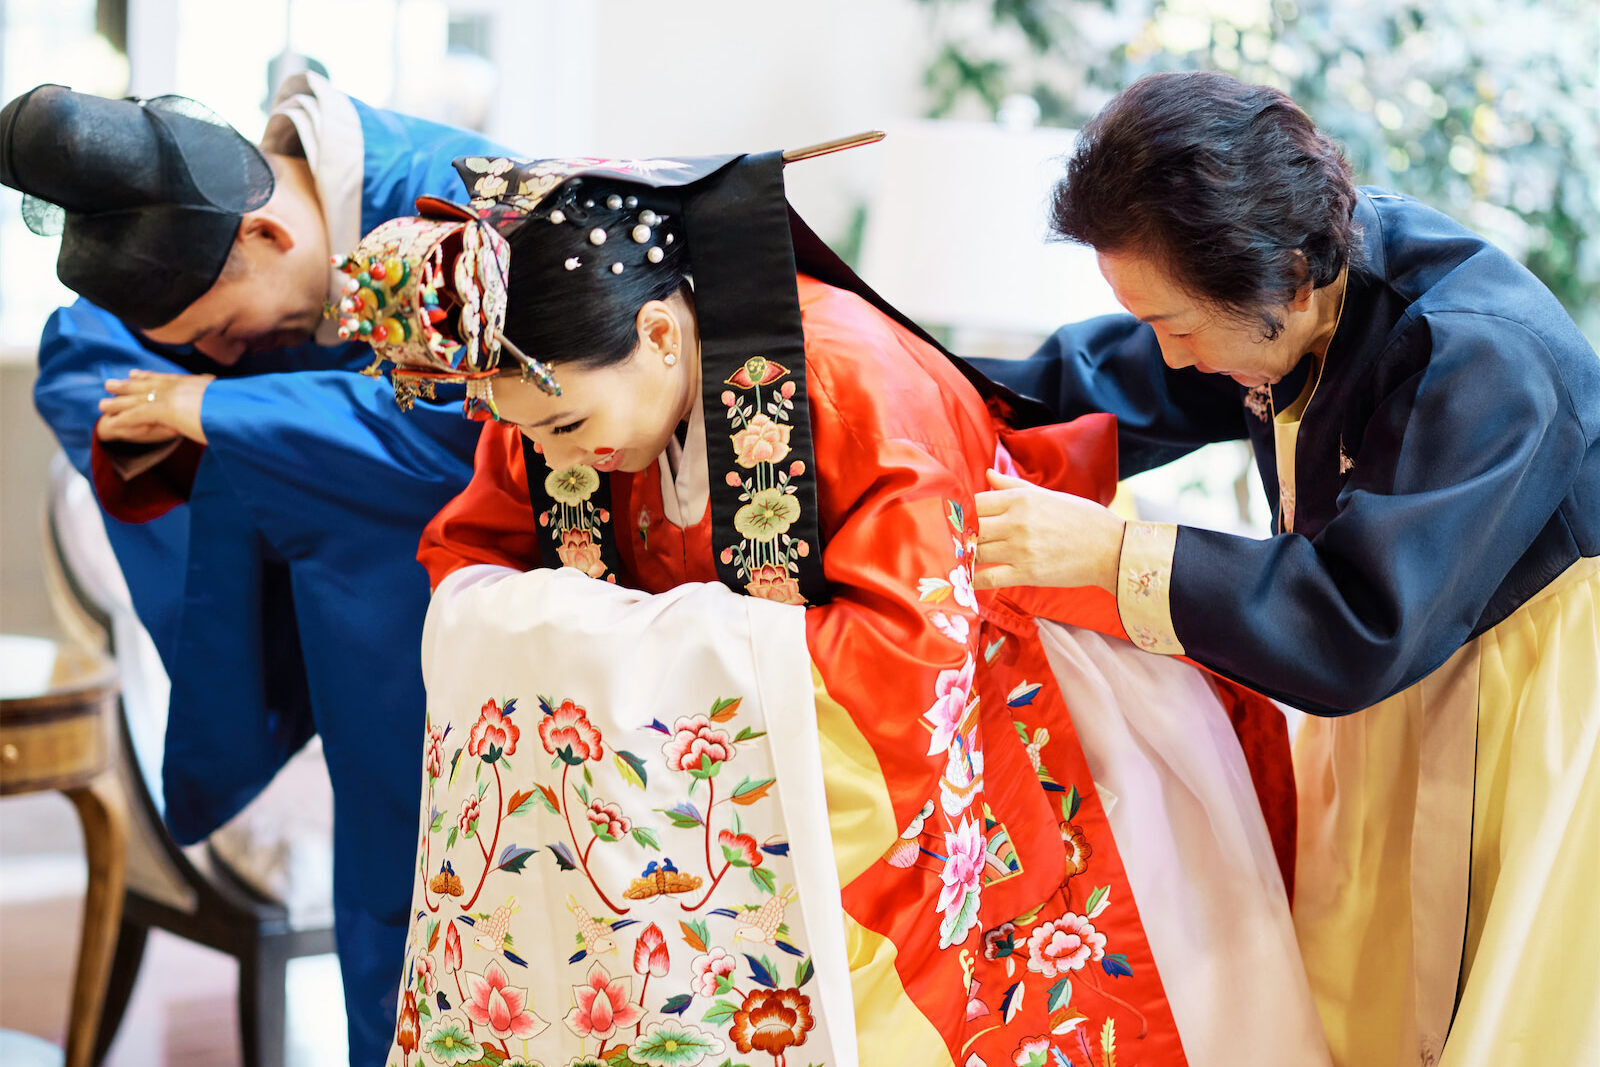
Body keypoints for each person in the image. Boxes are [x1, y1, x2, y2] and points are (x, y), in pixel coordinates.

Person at [347, 151, 1331, 1067]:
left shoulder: (852, 376)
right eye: (526, 432)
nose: (555, 459)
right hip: (742, 787)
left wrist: (628, 647)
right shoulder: (548, 402)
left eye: (564, 425)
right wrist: (593, 639)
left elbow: (911, 647)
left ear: (657, 331)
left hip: (994, 714)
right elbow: (472, 561)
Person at [969, 71, 1600, 1067]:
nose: (1168, 357)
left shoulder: (1480, 358)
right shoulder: (1288, 300)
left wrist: (1110, 554)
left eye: (1174, 325)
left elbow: (1358, 620)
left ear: (1290, 279)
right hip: (1405, 679)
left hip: (1524, 698)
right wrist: (921, 388)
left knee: (1474, 1005)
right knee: (1354, 983)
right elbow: (1092, 389)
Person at [0, 75, 509, 1063]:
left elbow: (467, 438)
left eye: (224, 334)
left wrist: (212, 410)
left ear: (267, 237)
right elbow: (83, 367)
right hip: (373, 696)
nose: (230, 355)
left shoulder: (451, 204)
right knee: (387, 955)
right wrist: (237, 422)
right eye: (203, 353)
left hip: (494, 682)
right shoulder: (243, 256)